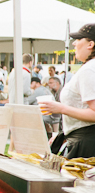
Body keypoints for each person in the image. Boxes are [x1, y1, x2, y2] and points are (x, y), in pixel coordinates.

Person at [40, 24, 95, 158]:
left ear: (91, 44)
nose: (74, 43)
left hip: (87, 143)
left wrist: (61, 108)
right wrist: (64, 134)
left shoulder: (89, 69)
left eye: (79, 39)